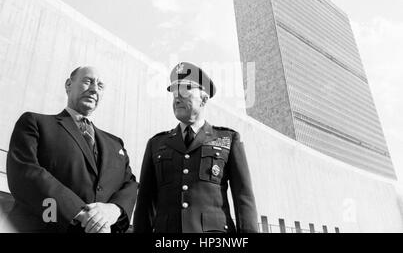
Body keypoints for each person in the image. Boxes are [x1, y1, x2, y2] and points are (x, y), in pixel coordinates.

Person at [6, 66, 138, 233]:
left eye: (100, 86)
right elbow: (25, 172)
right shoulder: (35, 123)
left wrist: (113, 210)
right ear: (68, 85)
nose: (94, 89)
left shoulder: (115, 144)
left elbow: (130, 184)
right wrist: (81, 214)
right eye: (88, 81)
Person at [133, 62, 258, 233]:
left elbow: (243, 197)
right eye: (175, 93)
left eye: (184, 92)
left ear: (204, 99)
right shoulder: (157, 143)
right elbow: (145, 202)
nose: (177, 98)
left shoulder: (227, 139)